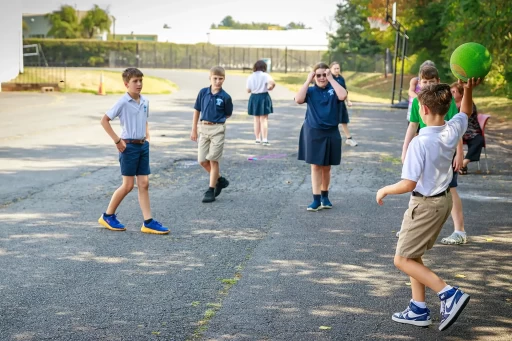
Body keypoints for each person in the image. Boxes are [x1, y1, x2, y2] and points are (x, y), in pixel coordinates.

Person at [376, 78, 479, 331]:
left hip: (424, 205)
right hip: (442, 201)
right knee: (413, 255)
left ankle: (448, 293)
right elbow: (466, 111)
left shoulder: (420, 143)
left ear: (423, 110)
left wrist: (384, 189)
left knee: (401, 260)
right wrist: (468, 90)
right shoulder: (451, 129)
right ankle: (418, 309)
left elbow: (408, 183)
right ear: (445, 110)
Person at [400, 65, 468, 246]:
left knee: (449, 189)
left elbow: (456, 124)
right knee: (418, 186)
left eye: (431, 81)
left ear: (438, 82)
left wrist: (459, 153)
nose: (428, 84)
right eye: (424, 81)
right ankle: (411, 226)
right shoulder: (418, 102)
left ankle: (459, 230)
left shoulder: (445, 100)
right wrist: (404, 150)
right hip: (427, 148)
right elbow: (412, 126)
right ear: (419, 83)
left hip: (443, 148)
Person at [98, 68, 169, 235]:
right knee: (128, 185)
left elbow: (145, 121)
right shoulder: (123, 102)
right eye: (135, 81)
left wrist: (148, 138)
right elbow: (104, 120)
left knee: (144, 184)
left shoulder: (145, 101)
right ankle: (108, 215)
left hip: (142, 146)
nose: (139, 84)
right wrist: (117, 140)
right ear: (126, 84)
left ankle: (148, 222)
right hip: (128, 146)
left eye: (140, 81)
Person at [295, 62, 348, 211]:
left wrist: (331, 79)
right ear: (314, 76)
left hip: (331, 131)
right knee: (316, 166)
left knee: (327, 167)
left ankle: (325, 196)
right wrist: (307, 80)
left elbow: (343, 96)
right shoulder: (310, 91)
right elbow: (298, 99)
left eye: (324, 75)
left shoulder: (334, 89)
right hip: (313, 131)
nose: (321, 78)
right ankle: (316, 199)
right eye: (318, 75)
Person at [190, 66, 233, 203]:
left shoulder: (225, 97)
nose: (218, 81)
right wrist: (194, 129)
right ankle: (219, 179)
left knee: (213, 159)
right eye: (215, 78)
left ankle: (210, 189)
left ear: (224, 79)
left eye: (221, 79)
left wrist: (217, 122)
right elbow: (197, 110)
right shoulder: (203, 93)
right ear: (210, 78)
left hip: (217, 130)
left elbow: (228, 114)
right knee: (202, 160)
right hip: (203, 128)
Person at [450, 82, 485, 175]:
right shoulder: (449, 104)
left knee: (479, 140)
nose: (451, 93)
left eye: (454, 91)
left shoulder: (467, 103)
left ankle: (464, 163)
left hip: (470, 130)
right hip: (456, 131)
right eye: (451, 92)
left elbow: (467, 118)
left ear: (461, 93)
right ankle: (453, 165)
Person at [246, 60, 275, 146]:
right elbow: (272, 84)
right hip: (263, 97)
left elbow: (248, 90)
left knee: (256, 119)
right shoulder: (266, 75)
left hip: (254, 97)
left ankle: (257, 139)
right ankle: (265, 140)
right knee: (264, 119)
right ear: (264, 67)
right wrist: (270, 87)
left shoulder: (250, 76)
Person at [330, 61, 357, 146]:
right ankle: (330, 139)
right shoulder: (329, 78)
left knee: (344, 121)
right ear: (330, 69)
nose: (337, 70)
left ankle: (349, 139)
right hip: (332, 103)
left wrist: (348, 100)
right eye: (335, 68)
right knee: (332, 121)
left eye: (338, 68)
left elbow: (345, 91)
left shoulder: (341, 78)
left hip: (341, 104)